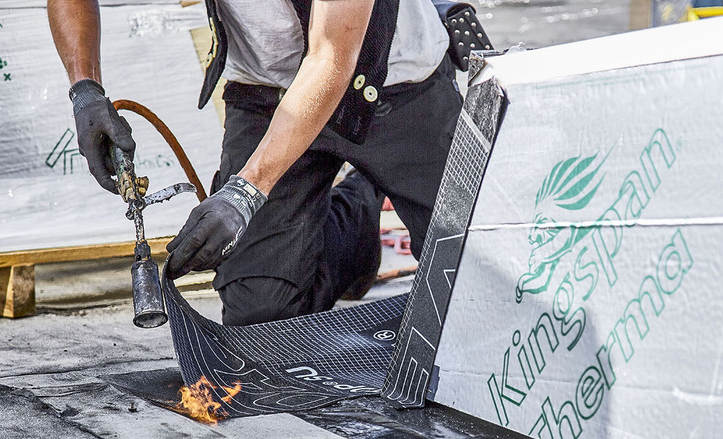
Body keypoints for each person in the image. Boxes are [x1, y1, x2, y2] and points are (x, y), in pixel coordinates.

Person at [48, 0, 463, 325]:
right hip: (265, 90)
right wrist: (85, 91)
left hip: (393, 84)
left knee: (466, 283)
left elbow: (332, 58)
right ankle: (353, 229)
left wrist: (245, 192)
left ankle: (367, 186)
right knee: (259, 321)